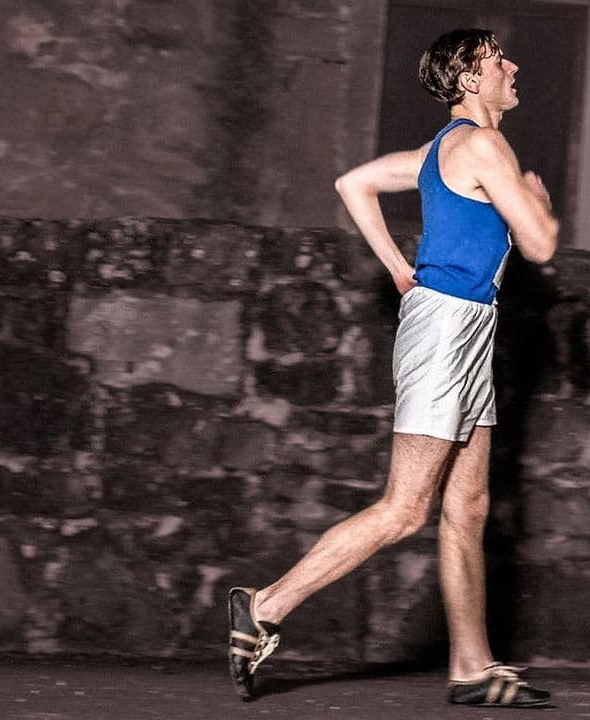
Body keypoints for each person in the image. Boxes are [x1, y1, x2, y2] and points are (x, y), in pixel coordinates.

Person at [227, 27, 559, 708]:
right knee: (406, 508)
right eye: (498, 59)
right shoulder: (482, 144)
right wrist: (540, 202)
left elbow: (353, 183)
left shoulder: (441, 150)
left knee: (467, 506)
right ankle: (264, 605)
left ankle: (471, 668)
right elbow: (540, 244)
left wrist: (400, 271)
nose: (513, 65)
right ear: (470, 79)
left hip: (465, 325)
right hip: (446, 331)